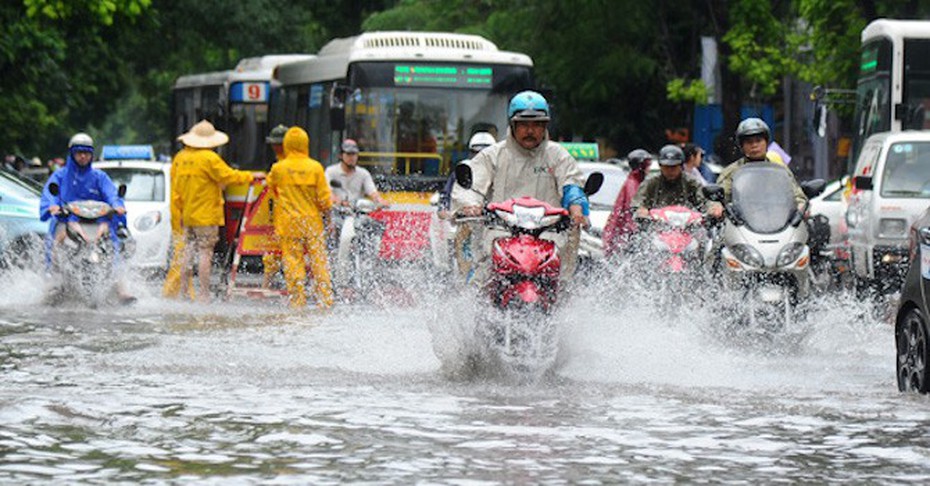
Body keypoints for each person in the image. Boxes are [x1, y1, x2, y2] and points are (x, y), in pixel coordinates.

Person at [452, 90, 590, 286]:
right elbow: (471, 186)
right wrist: (470, 205)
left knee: (563, 285)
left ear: (545, 126)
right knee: (480, 280)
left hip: (547, 234)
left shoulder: (558, 155)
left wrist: (576, 208)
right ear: (512, 125)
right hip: (501, 232)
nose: (530, 131)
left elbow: (572, 184)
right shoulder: (493, 155)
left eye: (537, 125)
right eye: (524, 124)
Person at [39, 132, 134, 303]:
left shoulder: (99, 177)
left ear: (92, 154)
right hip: (67, 220)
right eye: (79, 152)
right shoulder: (60, 176)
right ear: (72, 154)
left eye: (86, 152)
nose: (83, 156)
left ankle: (120, 286)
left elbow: (112, 194)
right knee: (56, 238)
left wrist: (117, 206)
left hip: (98, 221)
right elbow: (49, 194)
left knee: (114, 241)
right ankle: (53, 278)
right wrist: (52, 206)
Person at [172, 120, 256, 302]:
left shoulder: (180, 158)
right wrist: (250, 177)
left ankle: (184, 292)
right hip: (206, 215)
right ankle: (203, 294)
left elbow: (176, 188)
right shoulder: (209, 158)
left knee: (187, 251)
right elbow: (228, 175)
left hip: (187, 214)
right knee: (205, 252)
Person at [267, 126, 334, 309]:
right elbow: (324, 200)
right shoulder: (315, 167)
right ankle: (325, 299)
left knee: (293, 262)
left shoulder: (279, 168)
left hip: (288, 224)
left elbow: (272, 190)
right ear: (306, 143)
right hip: (312, 223)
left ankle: (297, 301)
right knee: (319, 261)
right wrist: (328, 219)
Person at [715, 117, 806, 210]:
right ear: (741, 146)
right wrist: (716, 207)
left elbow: (797, 195)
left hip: (777, 220)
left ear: (766, 143)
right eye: (749, 142)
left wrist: (801, 206)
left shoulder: (780, 171)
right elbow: (717, 197)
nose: (754, 145)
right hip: (741, 222)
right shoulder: (732, 172)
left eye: (758, 140)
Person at [632, 144, 709, 219]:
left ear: (681, 166)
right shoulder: (651, 182)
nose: (670, 171)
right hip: (657, 225)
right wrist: (641, 209)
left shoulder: (691, 182)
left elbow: (704, 199)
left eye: (674, 167)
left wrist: (713, 207)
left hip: (687, 226)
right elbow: (638, 201)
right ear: (660, 166)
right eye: (666, 167)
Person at [602, 149, 653, 257]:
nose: (649, 169)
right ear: (641, 167)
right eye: (647, 166)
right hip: (627, 233)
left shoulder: (636, 181)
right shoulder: (633, 184)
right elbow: (634, 208)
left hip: (626, 232)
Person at [261, 125, 288, 290]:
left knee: (289, 255)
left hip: (285, 217)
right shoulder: (279, 163)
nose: (275, 147)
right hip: (280, 216)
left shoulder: (281, 166)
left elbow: (269, 182)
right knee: (273, 253)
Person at [325, 139, 388, 207]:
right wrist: (339, 201)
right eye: (348, 154)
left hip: (357, 212)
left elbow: (372, 191)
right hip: (337, 211)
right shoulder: (330, 171)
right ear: (341, 155)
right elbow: (326, 192)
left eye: (354, 154)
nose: (352, 157)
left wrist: (380, 200)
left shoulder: (363, 173)